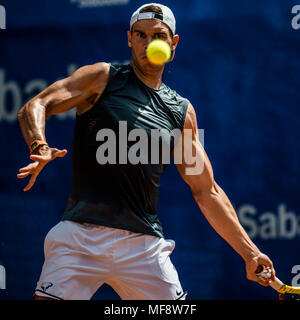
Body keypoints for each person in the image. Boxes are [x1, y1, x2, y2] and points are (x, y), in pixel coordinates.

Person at [17, 3, 275, 300]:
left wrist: (251, 253)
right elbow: (35, 105)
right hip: (79, 237)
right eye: (140, 35)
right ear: (129, 38)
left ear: (172, 43)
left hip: (143, 248)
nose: (148, 42)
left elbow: (206, 191)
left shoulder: (181, 112)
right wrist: (40, 144)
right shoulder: (102, 78)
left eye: (158, 35)